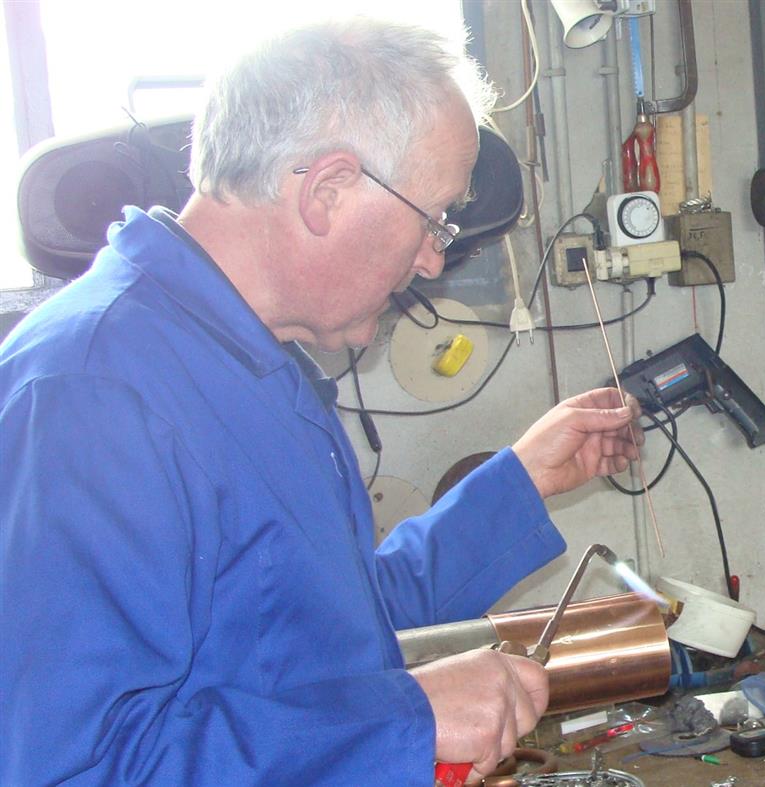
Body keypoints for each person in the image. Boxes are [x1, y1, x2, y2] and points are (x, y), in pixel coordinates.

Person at [0, 17, 640, 785]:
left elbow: (335, 625)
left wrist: (522, 480)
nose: (432, 259)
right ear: (328, 191)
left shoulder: (251, 365)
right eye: (434, 220)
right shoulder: (94, 393)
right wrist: (403, 721)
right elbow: (73, 766)